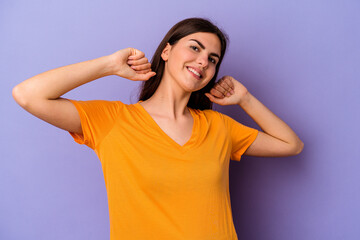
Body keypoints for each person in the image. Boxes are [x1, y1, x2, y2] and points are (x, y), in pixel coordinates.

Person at [12, 17, 304, 240]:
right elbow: (27, 95)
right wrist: (108, 65)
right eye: (195, 48)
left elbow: (291, 144)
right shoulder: (113, 120)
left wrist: (245, 99)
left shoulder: (218, 127)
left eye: (213, 59)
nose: (203, 61)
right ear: (167, 51)